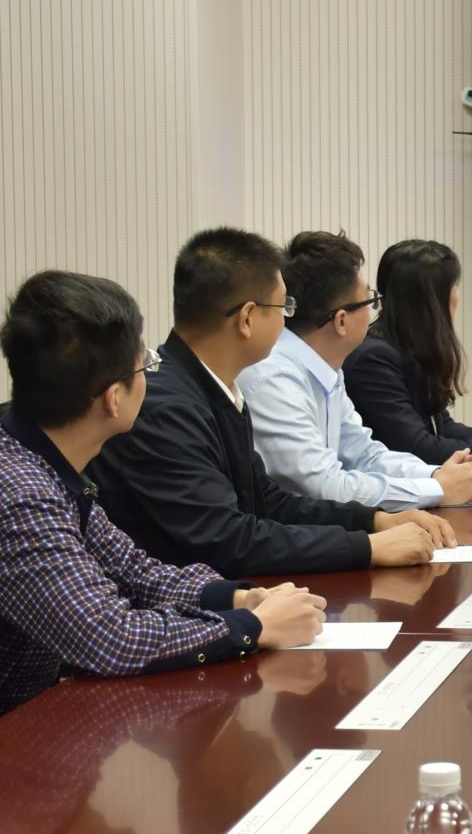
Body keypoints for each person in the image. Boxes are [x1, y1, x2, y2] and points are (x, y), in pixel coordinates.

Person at [0, 272, 328, 750]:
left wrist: (239, 599)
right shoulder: (14, 494)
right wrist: (252, 630)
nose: (152, 376)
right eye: (146, 365)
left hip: (9, 726)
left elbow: (133, 571)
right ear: (114, 398)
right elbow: (110, 638)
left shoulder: (32, 457)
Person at [92, 228, 451, 575]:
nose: (287, 321)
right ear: (247, 318)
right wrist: (366, 547)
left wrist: (373, 520)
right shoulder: (167, 407)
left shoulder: (216, 388)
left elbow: (267, 499)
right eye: (284, 307)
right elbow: (228, 541)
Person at [241, 231, 472, 509]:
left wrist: (442, 475)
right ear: (341, 321)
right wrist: (438, 489)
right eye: (370, 301)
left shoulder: (327, 369)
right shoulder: (274, 379)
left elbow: (366, 455)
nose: (375, 309)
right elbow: (322, 486)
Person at [343, 238, 472, 467]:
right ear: (433, 299)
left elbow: (443, 428)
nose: (458, 296)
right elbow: (418, 448)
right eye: (454, 286)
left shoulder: (407, 347)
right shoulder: (374, 359)